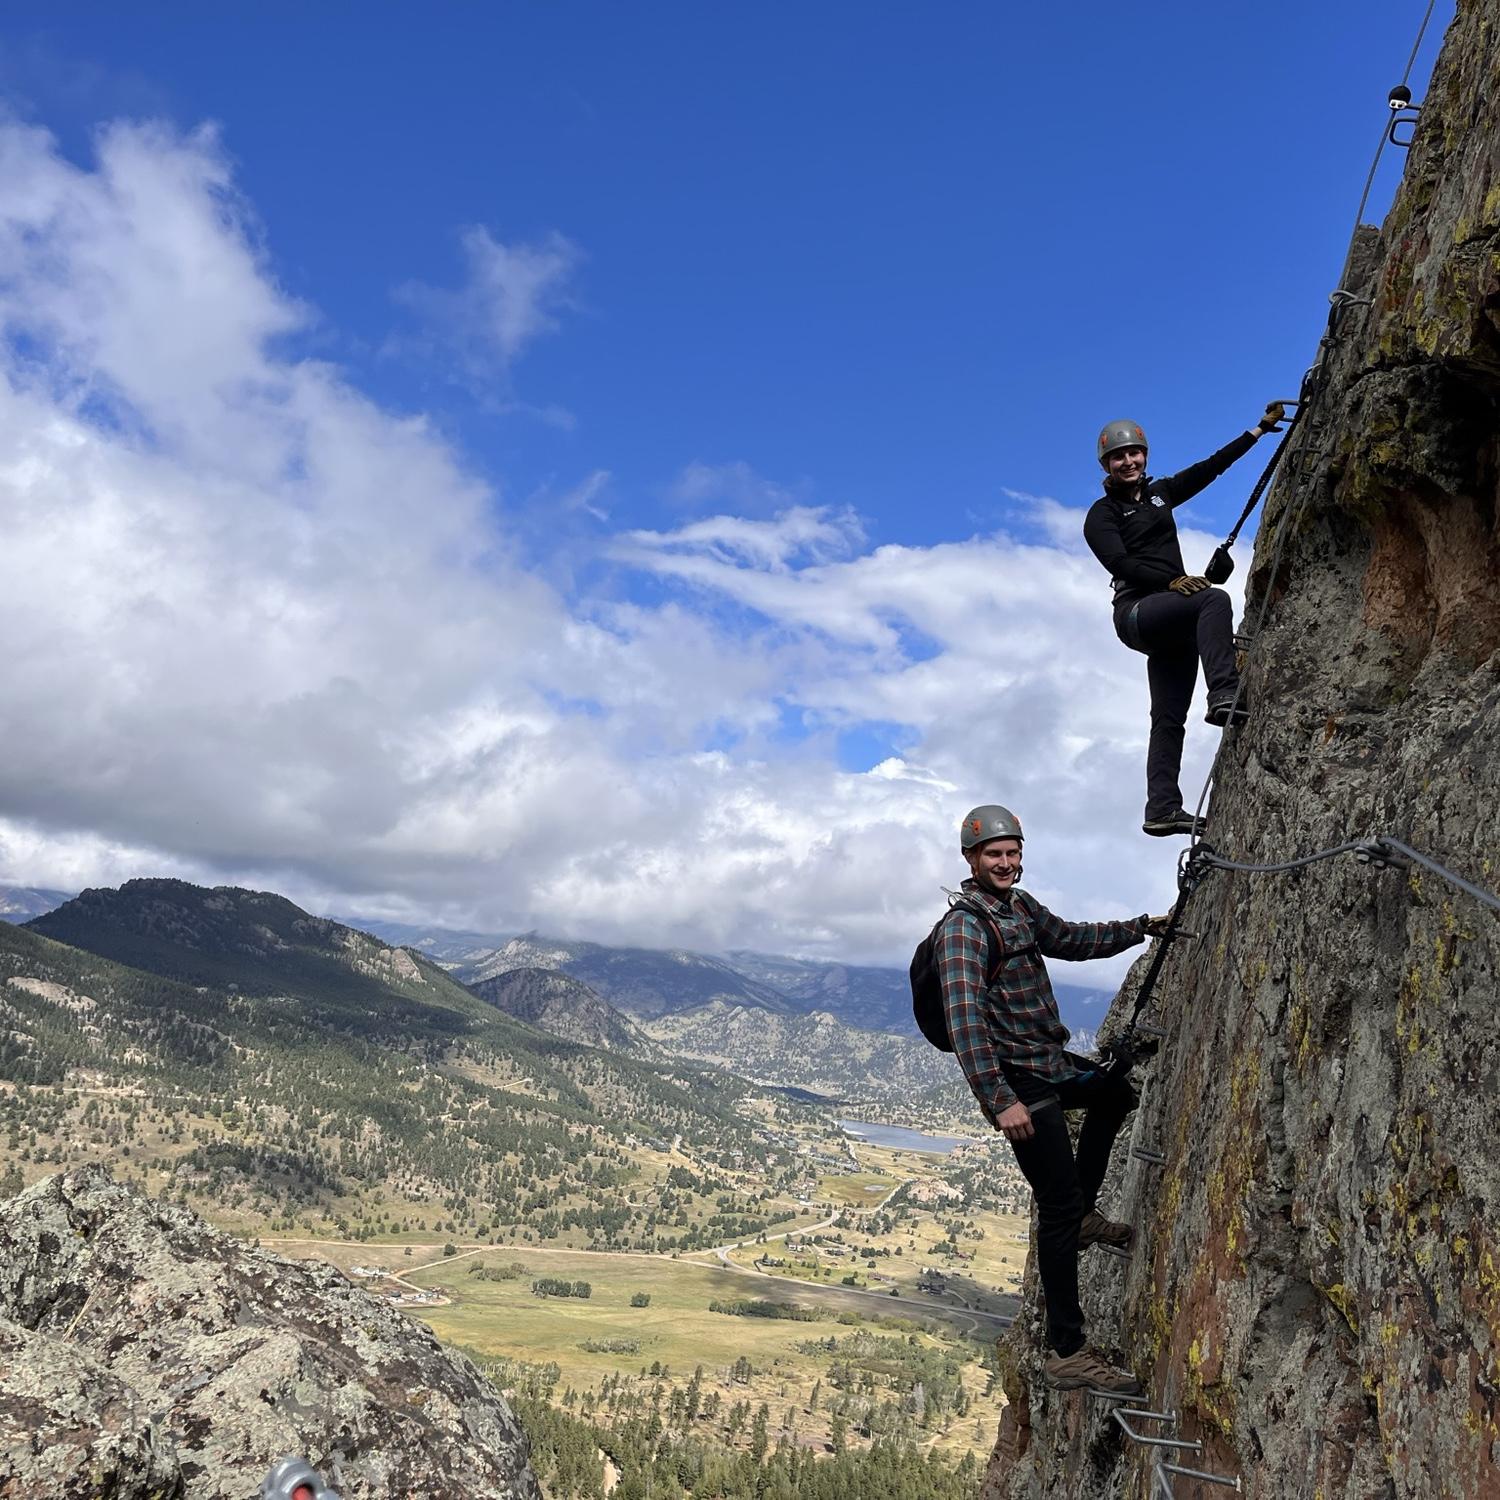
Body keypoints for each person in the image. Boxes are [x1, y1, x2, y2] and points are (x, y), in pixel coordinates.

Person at [936, 804, 1168, 1394]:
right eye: (995, 854)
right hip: (1020, 1082)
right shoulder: (965, 929)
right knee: (1056, 1206)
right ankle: (1067, 1350)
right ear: (971, 859)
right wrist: (998, 1100)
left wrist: (1142, 927)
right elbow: (965, 1022)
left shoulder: (1019, 907)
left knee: (1114, 1094)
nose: (1007, 862)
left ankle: (1085, 1212)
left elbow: (1069, 938)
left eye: (1013, 852)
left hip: (1050, 1062)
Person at [1083, 406, 1282, 837]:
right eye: (1119, 457)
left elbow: (1210, 469)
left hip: (1170, 619)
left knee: (1168, 718)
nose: (1129, 462)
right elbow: (1119, 561)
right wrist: (1172, 580)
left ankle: (1162, 808)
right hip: (1137, 612)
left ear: (1145, 456)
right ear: (1107, 466)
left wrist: (1258, 431)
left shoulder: (1161, 494)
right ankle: (1225, 694)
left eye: (1135, 453)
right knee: (1212, 600)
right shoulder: (1101, 515)